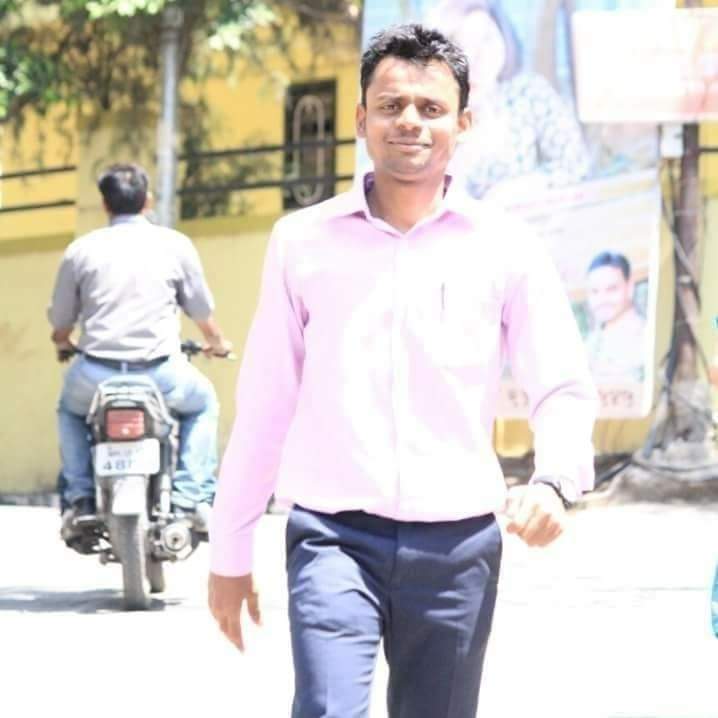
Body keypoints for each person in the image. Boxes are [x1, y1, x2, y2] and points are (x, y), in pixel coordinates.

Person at [209, 24, 597, 718]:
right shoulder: (301, 242)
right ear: (362, 119)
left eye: (430, 107)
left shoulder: (506, 246)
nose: (409, 121)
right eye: (390, 106)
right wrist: (229, 551)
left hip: (458, 547)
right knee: (328, 709)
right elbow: (266, 405)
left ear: (463, 123)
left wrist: (555, 481)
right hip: (332, 537)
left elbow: (561, 385)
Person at [48, 163, 232, 531]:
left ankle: (80, 498)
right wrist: (217, 343)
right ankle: (189, 499)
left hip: (95, 375)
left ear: (105, 204)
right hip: (161, 373)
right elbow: (201, 311)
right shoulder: (175, 245)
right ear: (147, 200)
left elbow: (61, 323)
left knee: (69, 411)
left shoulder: (80, 251)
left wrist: (64, 343)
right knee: (203, 404)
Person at [426, 0, 590, 202]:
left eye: (486, 40)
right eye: (461, 48)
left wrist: (521, 187)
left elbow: (576, 164)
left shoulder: (529, 94)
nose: (477, 59)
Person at [584, 250, 646, 382]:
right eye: (594, 291)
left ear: (630, 288)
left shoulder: (645, 339)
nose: (602, 300)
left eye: (611, 289)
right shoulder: (592, 341)